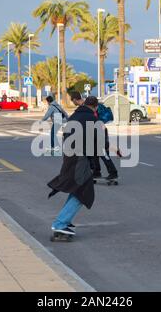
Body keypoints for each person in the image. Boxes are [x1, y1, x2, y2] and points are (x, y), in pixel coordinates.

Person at [47, 97, 100, 236]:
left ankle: (64, 221)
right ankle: (60, 223)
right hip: (80, 159)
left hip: (70, 157)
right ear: (95, 107)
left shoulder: (74, 116)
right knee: (83, 192)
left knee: (77, 189)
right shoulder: (91, 119)